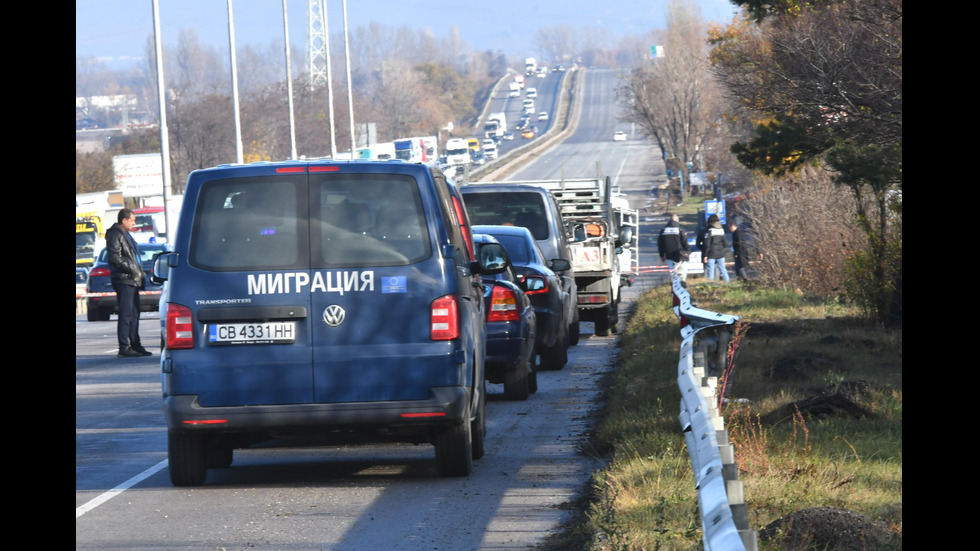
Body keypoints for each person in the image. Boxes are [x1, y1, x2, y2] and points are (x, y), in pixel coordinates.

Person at [106, 208, 151, 357]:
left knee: (134, 314)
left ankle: (135, 344)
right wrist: (132, 269)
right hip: (124, 279)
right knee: (126, 314)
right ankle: (124, 347)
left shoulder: (127, 235)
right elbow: (114, 258)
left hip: (132, 280)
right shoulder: (115, 234)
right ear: (124, 221)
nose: (134, 223)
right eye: (132, 220)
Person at [658, 213, 690, 283]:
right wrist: (687, 252)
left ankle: (674, 285)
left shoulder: (663, 230)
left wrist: (662, 255)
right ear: (677, 220)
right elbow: (684, 242)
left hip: (668, 255)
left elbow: (660, 244)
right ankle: (682, 284)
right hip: (680, 255)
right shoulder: (680, 229)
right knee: (682, 271)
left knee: (672, 271)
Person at [697, 214, 729, 282]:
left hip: (711, 254)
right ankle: (728, 284)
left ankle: (711, 285)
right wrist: (720, 249)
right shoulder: (721, 230)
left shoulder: (710, 230)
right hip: (720, 254)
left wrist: (705, 255)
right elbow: (725, 244)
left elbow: (707, 244)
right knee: (723, 270)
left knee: (710, 271)